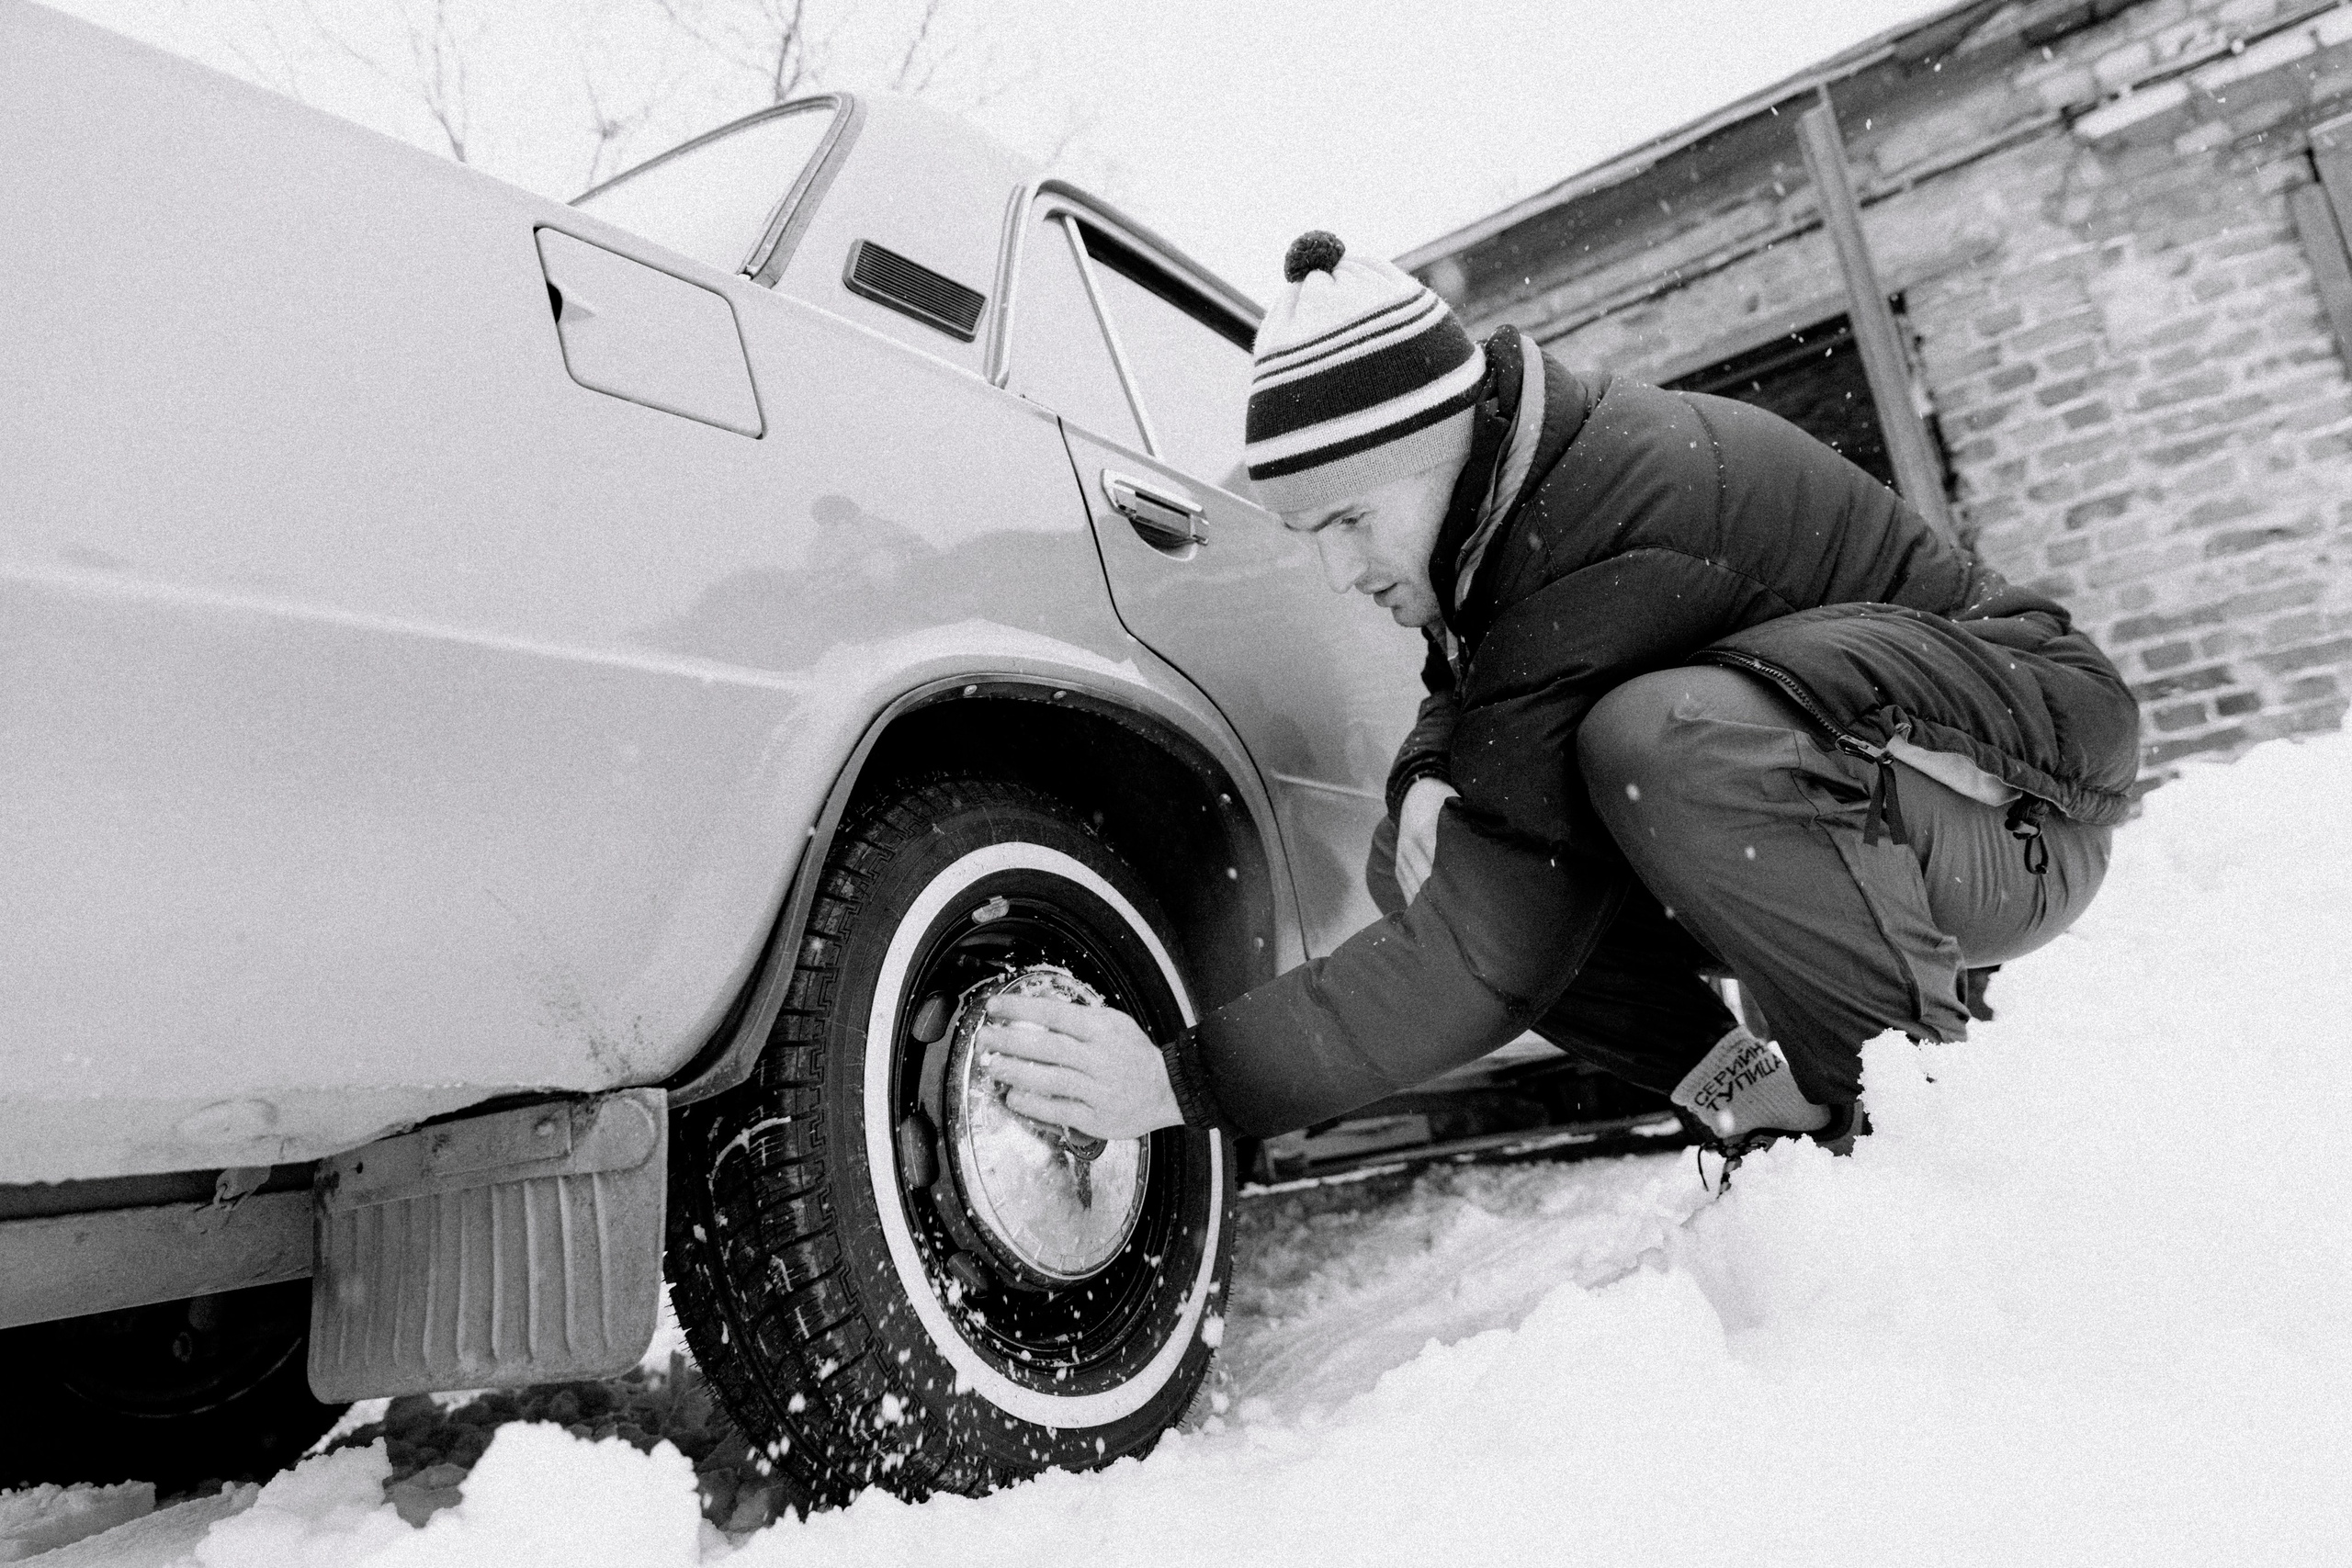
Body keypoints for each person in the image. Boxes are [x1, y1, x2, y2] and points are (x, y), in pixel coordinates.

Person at [980, 230, 2139, 1157]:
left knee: (1662, 746)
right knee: (1424, 848)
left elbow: (1482, 959)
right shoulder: (1520, 509)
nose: (1340, 572)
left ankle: (1904, 1127)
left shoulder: (1600, 528)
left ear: (1432, 450)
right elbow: (1492, 705)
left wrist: (1177, 1081)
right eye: (1308, 535)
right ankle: (1754, 1106)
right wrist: (1430, 777)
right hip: (1895, 796)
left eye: (1347, 520)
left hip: (2019, 808)